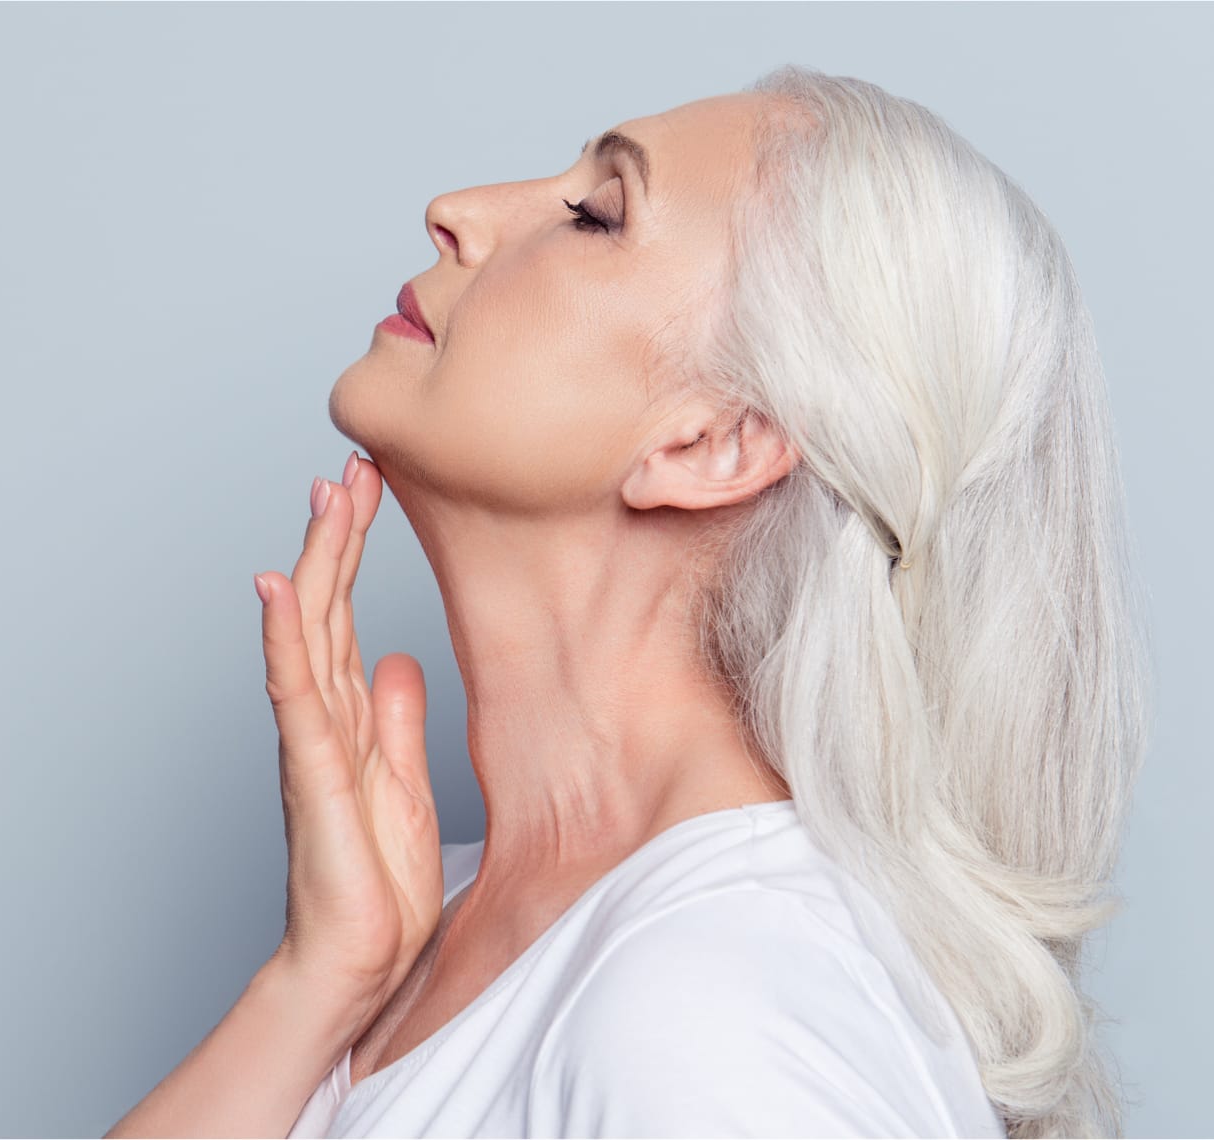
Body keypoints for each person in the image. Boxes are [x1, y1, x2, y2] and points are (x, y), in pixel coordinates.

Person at [105, 64, 1148, 1140]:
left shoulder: (716, 1015)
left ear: (714, 442)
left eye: (596, 215)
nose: (456, 212)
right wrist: (317, 982)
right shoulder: (437, 920)